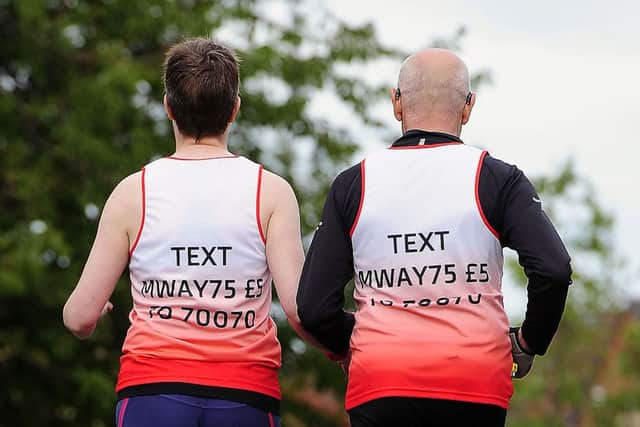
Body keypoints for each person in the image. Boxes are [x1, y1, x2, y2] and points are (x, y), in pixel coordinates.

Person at [296, 48, 572, 427]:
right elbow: (554, 270)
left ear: (396, 102)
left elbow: (312, 308)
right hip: (474, 382)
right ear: (468, 107)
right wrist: (527, 342)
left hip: (381, 381)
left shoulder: (353, 184)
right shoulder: (497, 178)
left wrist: (356, 342)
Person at [63, 38, 306, 427]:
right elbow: (298, 309)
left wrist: (96, 312)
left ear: (168, 107)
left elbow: (78, 317)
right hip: (244, 393)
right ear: (235, 109)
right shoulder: (271, 191)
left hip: (152, 390)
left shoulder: (133, 192)